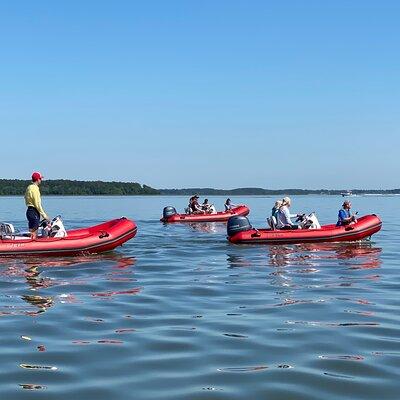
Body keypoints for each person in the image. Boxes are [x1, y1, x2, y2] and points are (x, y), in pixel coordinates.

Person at [25, 172, 50, 238]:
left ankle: (30, 243)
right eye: (40, 179)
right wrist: (45, 216)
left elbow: (25, 198)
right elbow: (37, 204)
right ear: (38, 179)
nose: (41, 180)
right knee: (34, 232)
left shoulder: (29, 187)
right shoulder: (35, 189)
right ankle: (33, 244)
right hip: (34, 212)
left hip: (29, 211)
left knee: (31, 231)